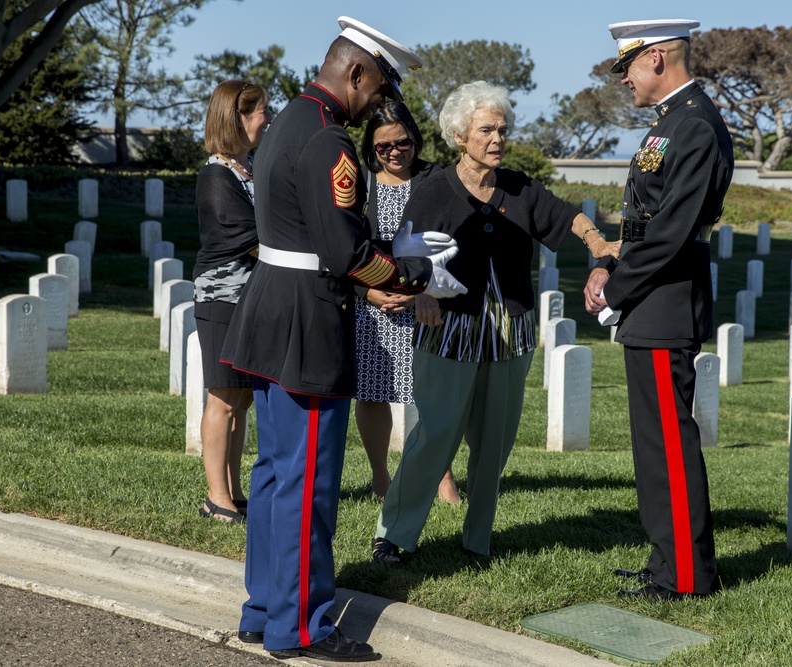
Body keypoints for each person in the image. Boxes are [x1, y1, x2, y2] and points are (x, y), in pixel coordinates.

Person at [219, 17, 464, 662]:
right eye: (376, 87)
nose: (376, 104)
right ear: (354, 73)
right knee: (307, 485)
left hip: (270, 310)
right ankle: (300, 627)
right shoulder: (328, 142)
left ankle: (263, 610)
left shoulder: (285, 124)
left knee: (274, 476)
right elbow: (344, 251)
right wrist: (415, 271)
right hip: (305, 323)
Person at [372, 81, 617, 565]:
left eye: (503, 130)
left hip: (510, 332)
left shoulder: (519, 187)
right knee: (434, 433)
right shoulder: (432, 190)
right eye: (486, 130)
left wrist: (596, 241)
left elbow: (566, 216)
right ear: (460, 136)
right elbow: (402, 251)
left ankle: (477, 541)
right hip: (448, 330)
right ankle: (394, 535)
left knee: (494, 443)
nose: (498, 139)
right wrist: (418, 292)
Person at [583, 19, 734, 600]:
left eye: (627, 67)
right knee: (653, 443)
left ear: (657, 60)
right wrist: (612, 268)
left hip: (665, 299)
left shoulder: (693, 125)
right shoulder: (673, 122)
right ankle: (666, 560)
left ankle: (687, 577)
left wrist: (618, 291)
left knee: (670, 441)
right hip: (653, 298)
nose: (623, 79)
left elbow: (670, 233)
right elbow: (645, 225)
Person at [353, 101, 461, 504]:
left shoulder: (437, 180)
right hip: (373, 306)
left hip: (427, 305)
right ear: (371, 148)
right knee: (372, 392)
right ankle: (380, 476)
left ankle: (441, 474)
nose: (395, 152)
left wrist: (426, 293)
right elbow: (346, 246)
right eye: (384, 147)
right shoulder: (359, 184)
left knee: (432, 394)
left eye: (403, 142)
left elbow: (453, 242)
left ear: (416, 140)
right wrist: (368, 291)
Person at [193, 79, 272, 524]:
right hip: (222, 298)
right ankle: (216, 497)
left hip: (252, 298)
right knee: (222, 398)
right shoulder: (216, 176)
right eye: (261, 111)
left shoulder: (252, 168)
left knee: (241, 398)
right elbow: (255, 240)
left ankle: (235, 492)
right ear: (236, 119)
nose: (268, 119)